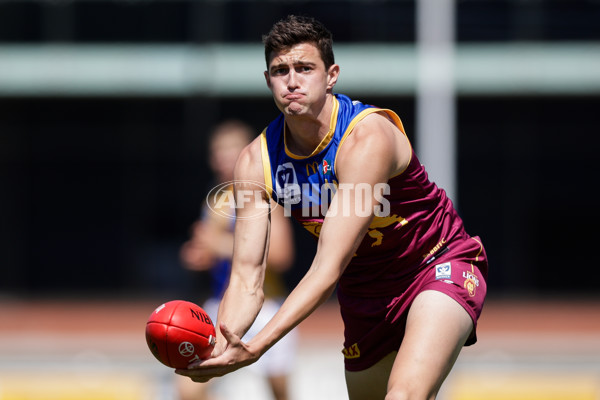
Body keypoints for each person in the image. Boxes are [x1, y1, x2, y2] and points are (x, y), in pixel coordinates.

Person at [176, 15, 488, 400]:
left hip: (434, 266)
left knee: (405, 395)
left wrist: (258, 346)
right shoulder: (255, 162)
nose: (292, 80)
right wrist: (224, 343)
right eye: (280, 70)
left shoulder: (366, 139)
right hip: (364, 292)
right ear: (267, 80)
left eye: (305, 68)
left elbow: (327, 267)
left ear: (331, 75)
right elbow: (245, 278)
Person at [178, 120, 297, 400]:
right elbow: (210, 251)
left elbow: (281, 256)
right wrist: (200, 253)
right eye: (217, 153)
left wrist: (218, 245)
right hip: (221, 304)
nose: (222, 160)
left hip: (265, 307)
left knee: (279, 393)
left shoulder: (265, 195)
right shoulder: (216, 199)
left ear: (247, 155)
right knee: (189, 386)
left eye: (230, 152)